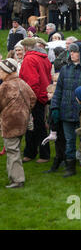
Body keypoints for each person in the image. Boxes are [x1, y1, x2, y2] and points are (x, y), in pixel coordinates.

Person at [50, 42, 81, 178]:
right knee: (69, 141)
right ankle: (70, 167)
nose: (71, 54)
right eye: (70, 51)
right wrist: (55, 107)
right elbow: (58, 90)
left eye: (75, 51)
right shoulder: (65, 69)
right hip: (66, 111)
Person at [0, 58, 36, 188]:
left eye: (1, 70)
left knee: (12, 151)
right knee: (14, 149)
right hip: (22, 121)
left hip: (10, 122)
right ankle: (13, 176)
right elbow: (33, 98)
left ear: (7, 71)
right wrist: (25, 111)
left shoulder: (5, 86)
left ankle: (17, 180)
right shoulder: (22, 82)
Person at [19, 38, 52, 163]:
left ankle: (41, 154)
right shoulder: (43, 57)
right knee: (38, 125)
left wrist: (30, 100)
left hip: (34, 97)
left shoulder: (29, 59)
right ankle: (32, 152)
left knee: (34, 126)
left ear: (26, 48)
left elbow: (32, 82)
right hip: (43, 95)